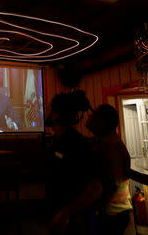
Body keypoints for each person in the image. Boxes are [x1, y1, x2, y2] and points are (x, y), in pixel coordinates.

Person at [45, 91, 100, 235]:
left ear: (56, 115)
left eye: (49, 108)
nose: (46, 111)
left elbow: (95, 188)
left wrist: (65, 213)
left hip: (76, 223)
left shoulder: (76, 143)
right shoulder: (57, 141)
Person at [86, 104, 133, 235]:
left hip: (112, 214)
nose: (89, 117)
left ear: (102, 122)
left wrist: (96, 207)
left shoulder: (111, 146)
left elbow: (113, 183)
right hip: (111, 213)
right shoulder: (103, 141)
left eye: (93, 115)